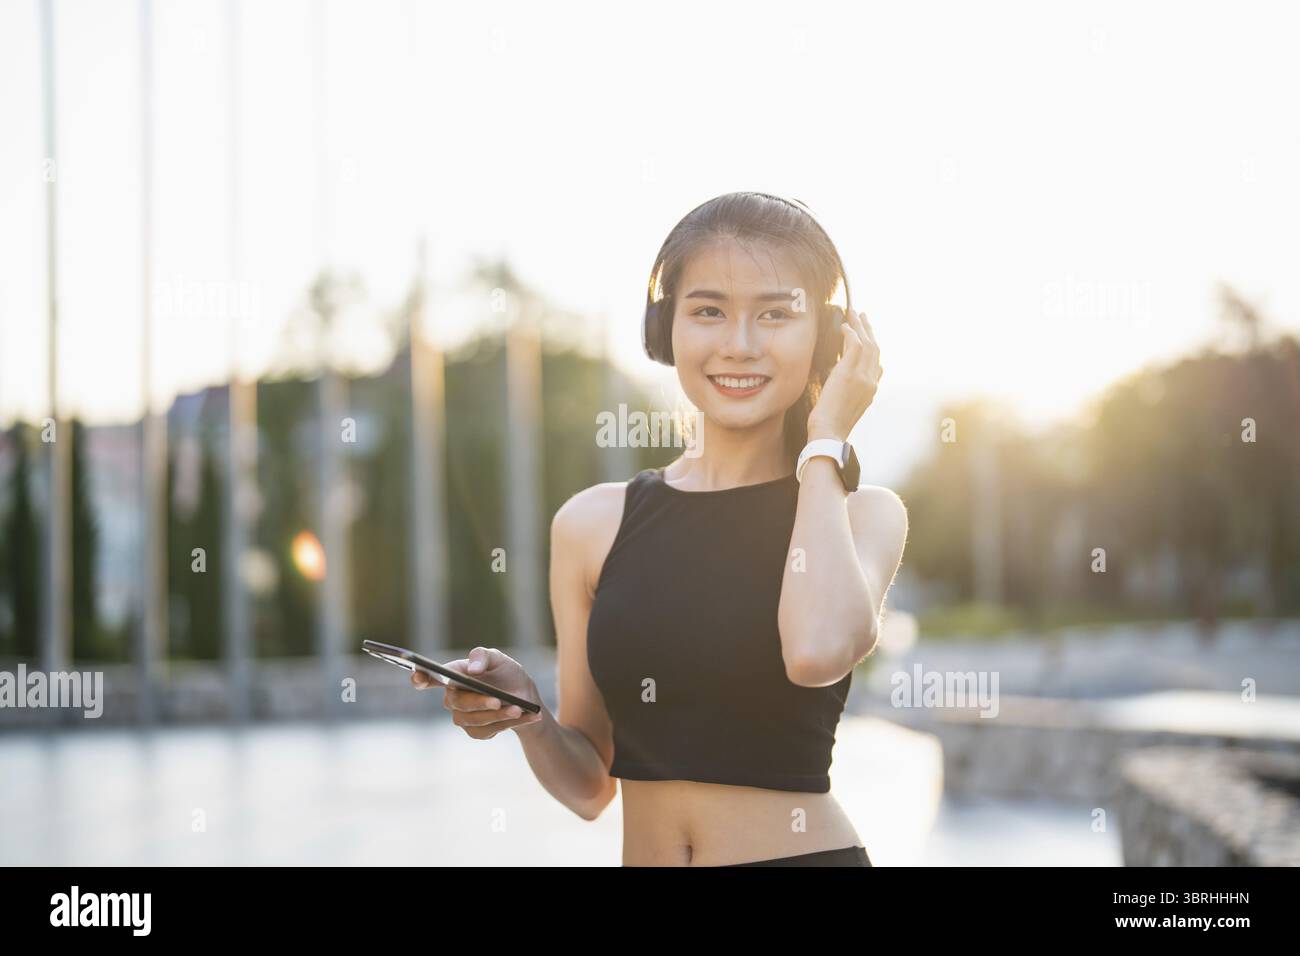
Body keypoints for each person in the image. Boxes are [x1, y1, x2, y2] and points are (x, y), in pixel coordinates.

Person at [413, 191, 908, 866]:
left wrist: (826, 441)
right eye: (709, 311)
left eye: (775, 314)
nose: (740, 345)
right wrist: (528, 716)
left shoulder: (860, 514)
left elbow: (816, 651)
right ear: (664, 328)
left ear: (825, 338)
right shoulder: (591, 524)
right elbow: (590, 784)